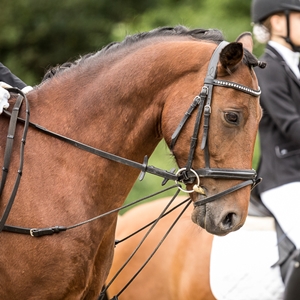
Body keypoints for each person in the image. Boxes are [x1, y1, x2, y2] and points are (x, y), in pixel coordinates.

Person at [251, 0, 300, 298]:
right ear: (278, 22)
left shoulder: (296, 64)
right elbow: (291, 126)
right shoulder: (265, 68)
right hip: (284, 179)